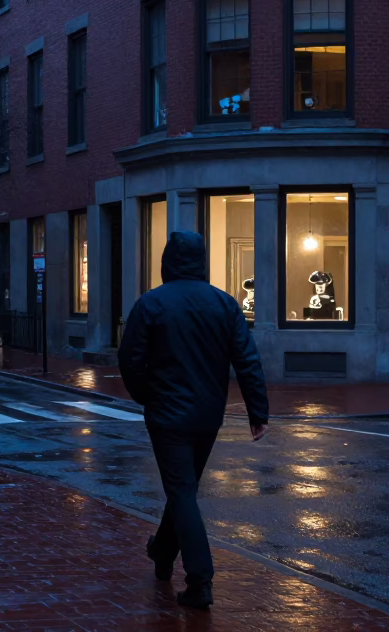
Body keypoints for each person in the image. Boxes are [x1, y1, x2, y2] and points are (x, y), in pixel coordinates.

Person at [118, 231, 270, 610]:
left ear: (167, 261)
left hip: (167, 413)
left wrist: (146, 396)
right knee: (183, 489)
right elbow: (247, 360)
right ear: (202, 261)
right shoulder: (223, 304)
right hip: (207, 414)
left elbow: (130, 359)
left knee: (181, 490)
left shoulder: (151, 303)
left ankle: (200, 579)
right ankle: (162, 551)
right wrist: (258, 412)